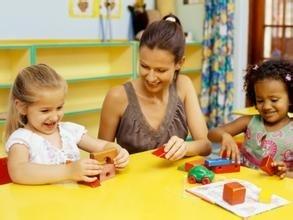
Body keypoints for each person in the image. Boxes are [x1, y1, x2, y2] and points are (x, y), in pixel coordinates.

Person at [98, 14, 211, 160]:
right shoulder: (117, 97)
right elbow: (100, 157)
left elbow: (206, 145)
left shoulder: (183, 86)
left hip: (176, 181)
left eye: (160, 70)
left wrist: (185, 147)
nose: (151, 77)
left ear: (179, 63)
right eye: (144, 66)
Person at [4, 64, 129, 185]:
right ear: (22, 107)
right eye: (45, 111)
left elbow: (101, 146)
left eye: (59, 107)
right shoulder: (22, 139)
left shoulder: (69, 130)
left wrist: (117, 151)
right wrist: (69, 171)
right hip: (40, 205)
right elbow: (19, 171)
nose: (54, 117)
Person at [208, 59, 293, 178]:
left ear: (290, 98)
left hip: (275, 189)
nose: (267, 106)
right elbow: (211, 134)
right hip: (243, 182)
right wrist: (224, 135)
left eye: (274, 100)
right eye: (260, 101)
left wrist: (286, 173)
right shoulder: (249, 121)